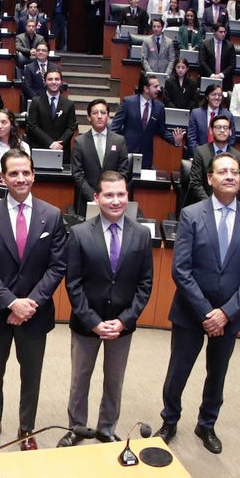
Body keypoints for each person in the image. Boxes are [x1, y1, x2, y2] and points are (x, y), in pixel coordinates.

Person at [160, 152, 240, 453]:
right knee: (178, 371)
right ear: (209, 178)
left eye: (234, 171)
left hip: (229, 316)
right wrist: (208, 312)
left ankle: (206, 424)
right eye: (222, 171)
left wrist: (226, 313)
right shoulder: (192, 214)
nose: (229, 176)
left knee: (217, 374)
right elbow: (181, 269)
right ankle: (169, 420)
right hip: (191, 312)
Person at [0, 149, 67, 451]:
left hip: (36, 313)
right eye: (14, 173)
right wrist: (12, 303)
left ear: (34, 175)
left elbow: (57, 266)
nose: (21, 178)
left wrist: (29, 304)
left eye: (26, 172)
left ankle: (26, 427)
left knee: (31, 374)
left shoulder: (51, 215)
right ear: (3, 178)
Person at [58, 171, 153, 446]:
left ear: (128, 196)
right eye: (109, 195)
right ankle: (77, 428)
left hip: (121, 326)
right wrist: (93, 321)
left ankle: (106, 429)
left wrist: (124, 321)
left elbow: (145, 285)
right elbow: (73, 283)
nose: (115, 200)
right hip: (87, 323)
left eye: (121, 194)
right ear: (97, 198)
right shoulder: (78, 234)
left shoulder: (142, 235)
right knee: (80, 380)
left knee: (114, 382)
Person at [184, 114, 240, 209]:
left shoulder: (237, 156)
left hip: (227, 205)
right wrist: (211, 204)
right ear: (211, 131)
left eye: (225, 128)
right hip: (203, 204)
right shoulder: (201, 152)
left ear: (230, 131)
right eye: (218, 127)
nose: (222, 130)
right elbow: (195, 183)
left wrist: (226, 203)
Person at [112, 73, 163, 168]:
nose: (159, 89)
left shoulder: (159, 107)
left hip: (146, 156)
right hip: (127, 151)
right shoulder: (128, 102)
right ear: (146, 89)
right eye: (156, 86)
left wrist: (176, 141)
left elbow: (162, 130)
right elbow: (115, 127)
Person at [25, 68, 76, 156]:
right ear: (45, 82)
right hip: (40, 148)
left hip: (61, 150)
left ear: (61, 82)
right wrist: (51, 143)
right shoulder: (36, 102)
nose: (53, 82)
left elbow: (71, 128)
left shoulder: (69, 104)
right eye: (50, 79)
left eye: (56, 79)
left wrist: (59, 144)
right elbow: (33, 126)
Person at [185, 83, 230, 157]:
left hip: (220, 158)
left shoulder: (228, 115)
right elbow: (191, 139)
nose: (217, 97)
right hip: (199, 157)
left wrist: (220, 157)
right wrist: (201, 156)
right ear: (207, 97)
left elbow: (231, 140)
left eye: (219, 95)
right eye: (213, 94)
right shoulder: (196, 113)